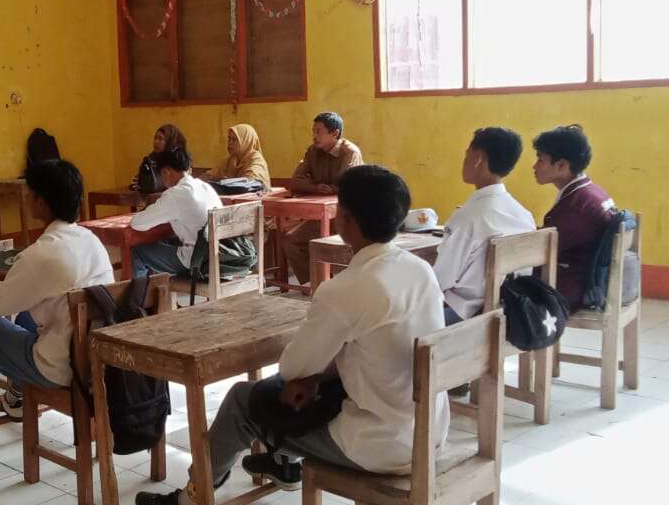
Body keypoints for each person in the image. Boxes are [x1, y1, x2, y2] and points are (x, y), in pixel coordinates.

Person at [137, 165, 449, 505]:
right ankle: (283, 462)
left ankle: (191, 498)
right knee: (306, 385)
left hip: (379, 446)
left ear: (346, 220)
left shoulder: (347, 288)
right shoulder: (420, 270)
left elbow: (291, 368)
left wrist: (308, 376)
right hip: (428, 431)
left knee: (243, 400)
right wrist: (315, 377)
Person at [0, 159, 113, 437]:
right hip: (95, 359)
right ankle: (15, 399)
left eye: (31, 194)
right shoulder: (90, 240)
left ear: (41, 203)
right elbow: (47, 282)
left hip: (62, 367)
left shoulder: (42, 253)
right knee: (24, 316)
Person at [435, 127, 536, 325]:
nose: (464, 161)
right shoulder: (524, 214)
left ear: (478, 159)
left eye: (467, 155)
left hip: (466, 315)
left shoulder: (468, 217)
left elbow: (440, 280)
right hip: (510, 309)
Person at [533, 125, 615, 311]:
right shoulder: (592, 192)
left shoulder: (578, 205)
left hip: (572, 289)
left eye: (540, 160)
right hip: (585, 279)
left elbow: (540, 250)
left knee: (502, 284)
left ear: (561, 165)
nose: (535, 166)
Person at [282, 112, 364, 284]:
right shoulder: (312, 151)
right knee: (291, 241)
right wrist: (315, 187)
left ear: (335, 133)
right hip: (322, 216)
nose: (314, 136)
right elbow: (295, 181)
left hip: (349, 217)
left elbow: (347, 186)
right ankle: (312, 285)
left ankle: (349, 285)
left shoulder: (350, 152)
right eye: (313, 131)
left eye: (319, 131)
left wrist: (327, 188)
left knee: (344, 246)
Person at [129, 147, 222, 278]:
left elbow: (137, 223)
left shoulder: (175, 194)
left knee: (139, 251)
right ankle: (156, 288)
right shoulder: (205, 186)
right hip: (222, 255)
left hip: (199, 260)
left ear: (166, 172)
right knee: (165, 243)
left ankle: (140, 291)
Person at [206, 124, 271, 189]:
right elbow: (209, 176)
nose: (230, 143)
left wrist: (226, 181)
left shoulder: (257, 161)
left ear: (246, 141)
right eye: (229, 138)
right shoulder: (230, 160)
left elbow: (251, 183)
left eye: (234, 140)